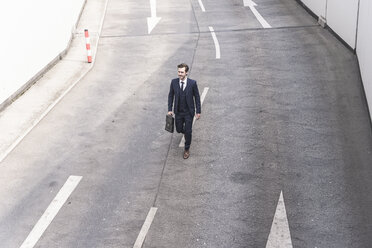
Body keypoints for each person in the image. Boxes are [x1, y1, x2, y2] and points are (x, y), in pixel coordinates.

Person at [168, 63, 201, 159]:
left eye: (182, 72)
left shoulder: (192, 83)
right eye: (178, 72)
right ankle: (184, 133)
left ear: (186, 73)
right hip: (178, 112)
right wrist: (170, 109)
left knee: (188, 131)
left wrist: (198, 111)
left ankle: (187, 149)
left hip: (188, 113)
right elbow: (170, 96)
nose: (179, 74)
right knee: (178, 129)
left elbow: (197, 97)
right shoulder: (174, 82)